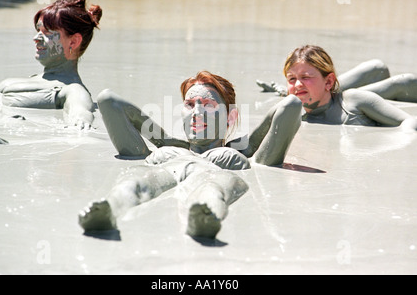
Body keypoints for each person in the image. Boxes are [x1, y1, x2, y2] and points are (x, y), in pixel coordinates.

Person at [78, 71, 302, 239]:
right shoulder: (167, 151)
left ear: (230, 117)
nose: (197, 112)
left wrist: (248, 146)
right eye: (189, 104)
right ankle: (109, 209)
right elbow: (109, 101)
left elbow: (290, 105)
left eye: (208, 104)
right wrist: (163, 141)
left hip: (216, 175)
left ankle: (205, 218)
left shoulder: (240, 155)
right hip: (166, 170)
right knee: (135, 181)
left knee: (213, 189)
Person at [0, 0, 102, 129]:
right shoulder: (33, 79)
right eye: (38, 30)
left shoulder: (72, 89)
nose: (36, 38)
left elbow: (80, 109)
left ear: (73, 42)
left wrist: (81, 120)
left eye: (48, 32)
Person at [277, 45, 417, 131]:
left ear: (329, 81)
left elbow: (410, 121)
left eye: (305, 77)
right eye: (292, 79)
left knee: (397, 78)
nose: (297, 84)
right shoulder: (295, 117)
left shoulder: (354, 101)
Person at [257, 50, 417, 104]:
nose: (298, 82)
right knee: (399, 79)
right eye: (292, 78)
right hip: (336, 102)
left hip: (334, 97)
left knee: (381, 70)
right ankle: (315, 91)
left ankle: (318, 89)